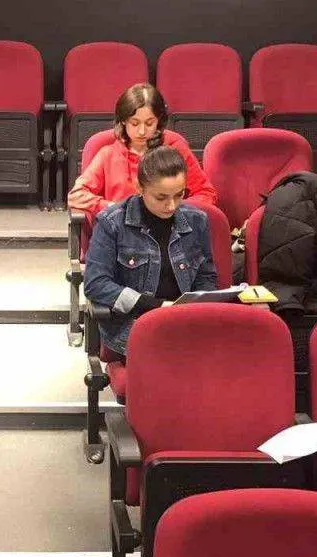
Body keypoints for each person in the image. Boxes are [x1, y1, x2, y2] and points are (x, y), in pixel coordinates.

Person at [83, 146, 219, 357]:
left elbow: (206, 277)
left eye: (179, 195)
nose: (171, 205)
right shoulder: (112, 222)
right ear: (140, 187)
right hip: (134, 325)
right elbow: (96, 284)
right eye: (161, 197)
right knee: (175, 358)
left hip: (186, 323)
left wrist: (198, 307)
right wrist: (156, 306)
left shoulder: (196, 220)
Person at [67, 83, 217, 217]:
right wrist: (113, 208)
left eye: (149, 123)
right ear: (123, 121)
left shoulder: (174, 148)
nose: (142, 131)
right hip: (123, 231)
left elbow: (205, 193)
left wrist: (175, 209)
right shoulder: (108, 155)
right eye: (134, 123)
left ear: (159, 121)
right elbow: (77, 195)